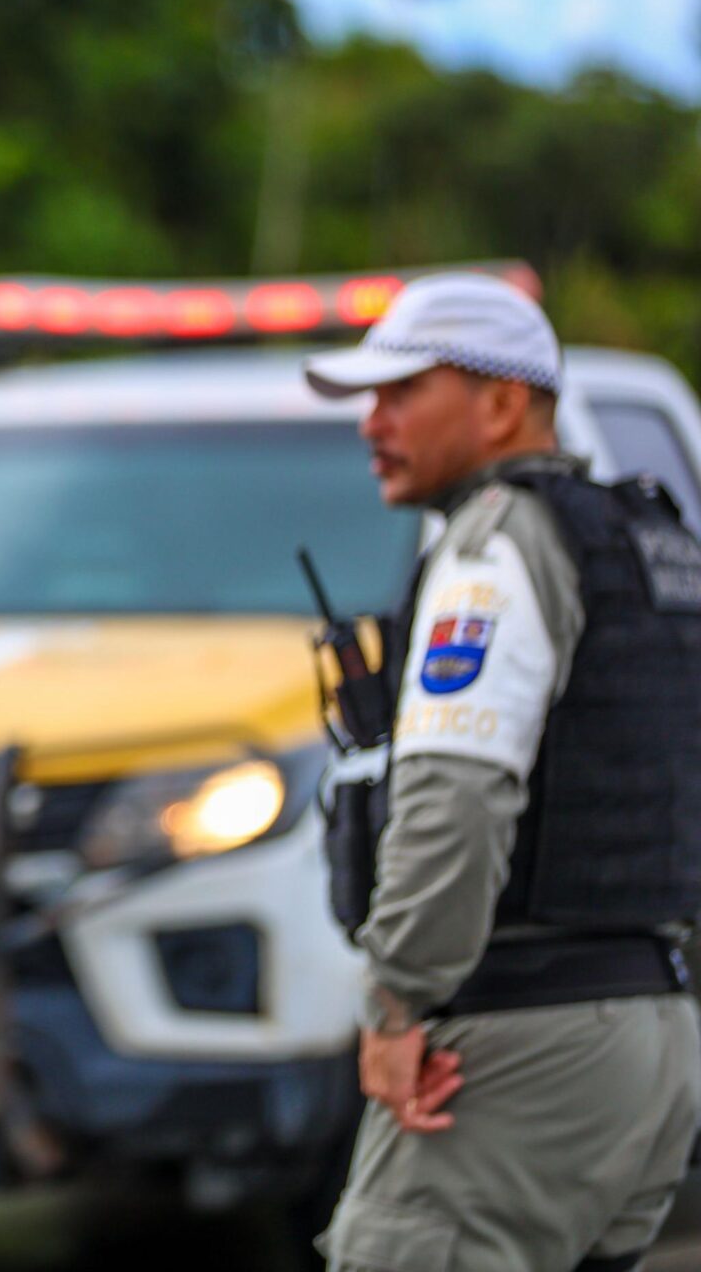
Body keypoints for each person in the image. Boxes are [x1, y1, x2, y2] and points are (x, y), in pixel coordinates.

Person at [302, 271, 701, 1272]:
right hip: (653, 1030)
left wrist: (396, 1001)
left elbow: (458, 799)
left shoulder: (497, 546)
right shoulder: (650, 541)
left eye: (404, 391)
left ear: (500, 402)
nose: (373, 423)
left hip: (519, 1040)